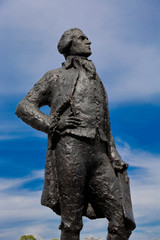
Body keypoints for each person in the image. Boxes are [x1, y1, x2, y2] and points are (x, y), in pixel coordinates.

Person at [16, 28, 136, 240]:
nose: (89, 41)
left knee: (122, 220)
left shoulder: (96, 80)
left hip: (100, 153)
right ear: (69, 44)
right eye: (82, 38)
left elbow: (104, 121)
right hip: (71, 149)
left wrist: (113, 153)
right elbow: (24, 107)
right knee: (71, 223)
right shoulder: (55, 76)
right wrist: (53, 123)